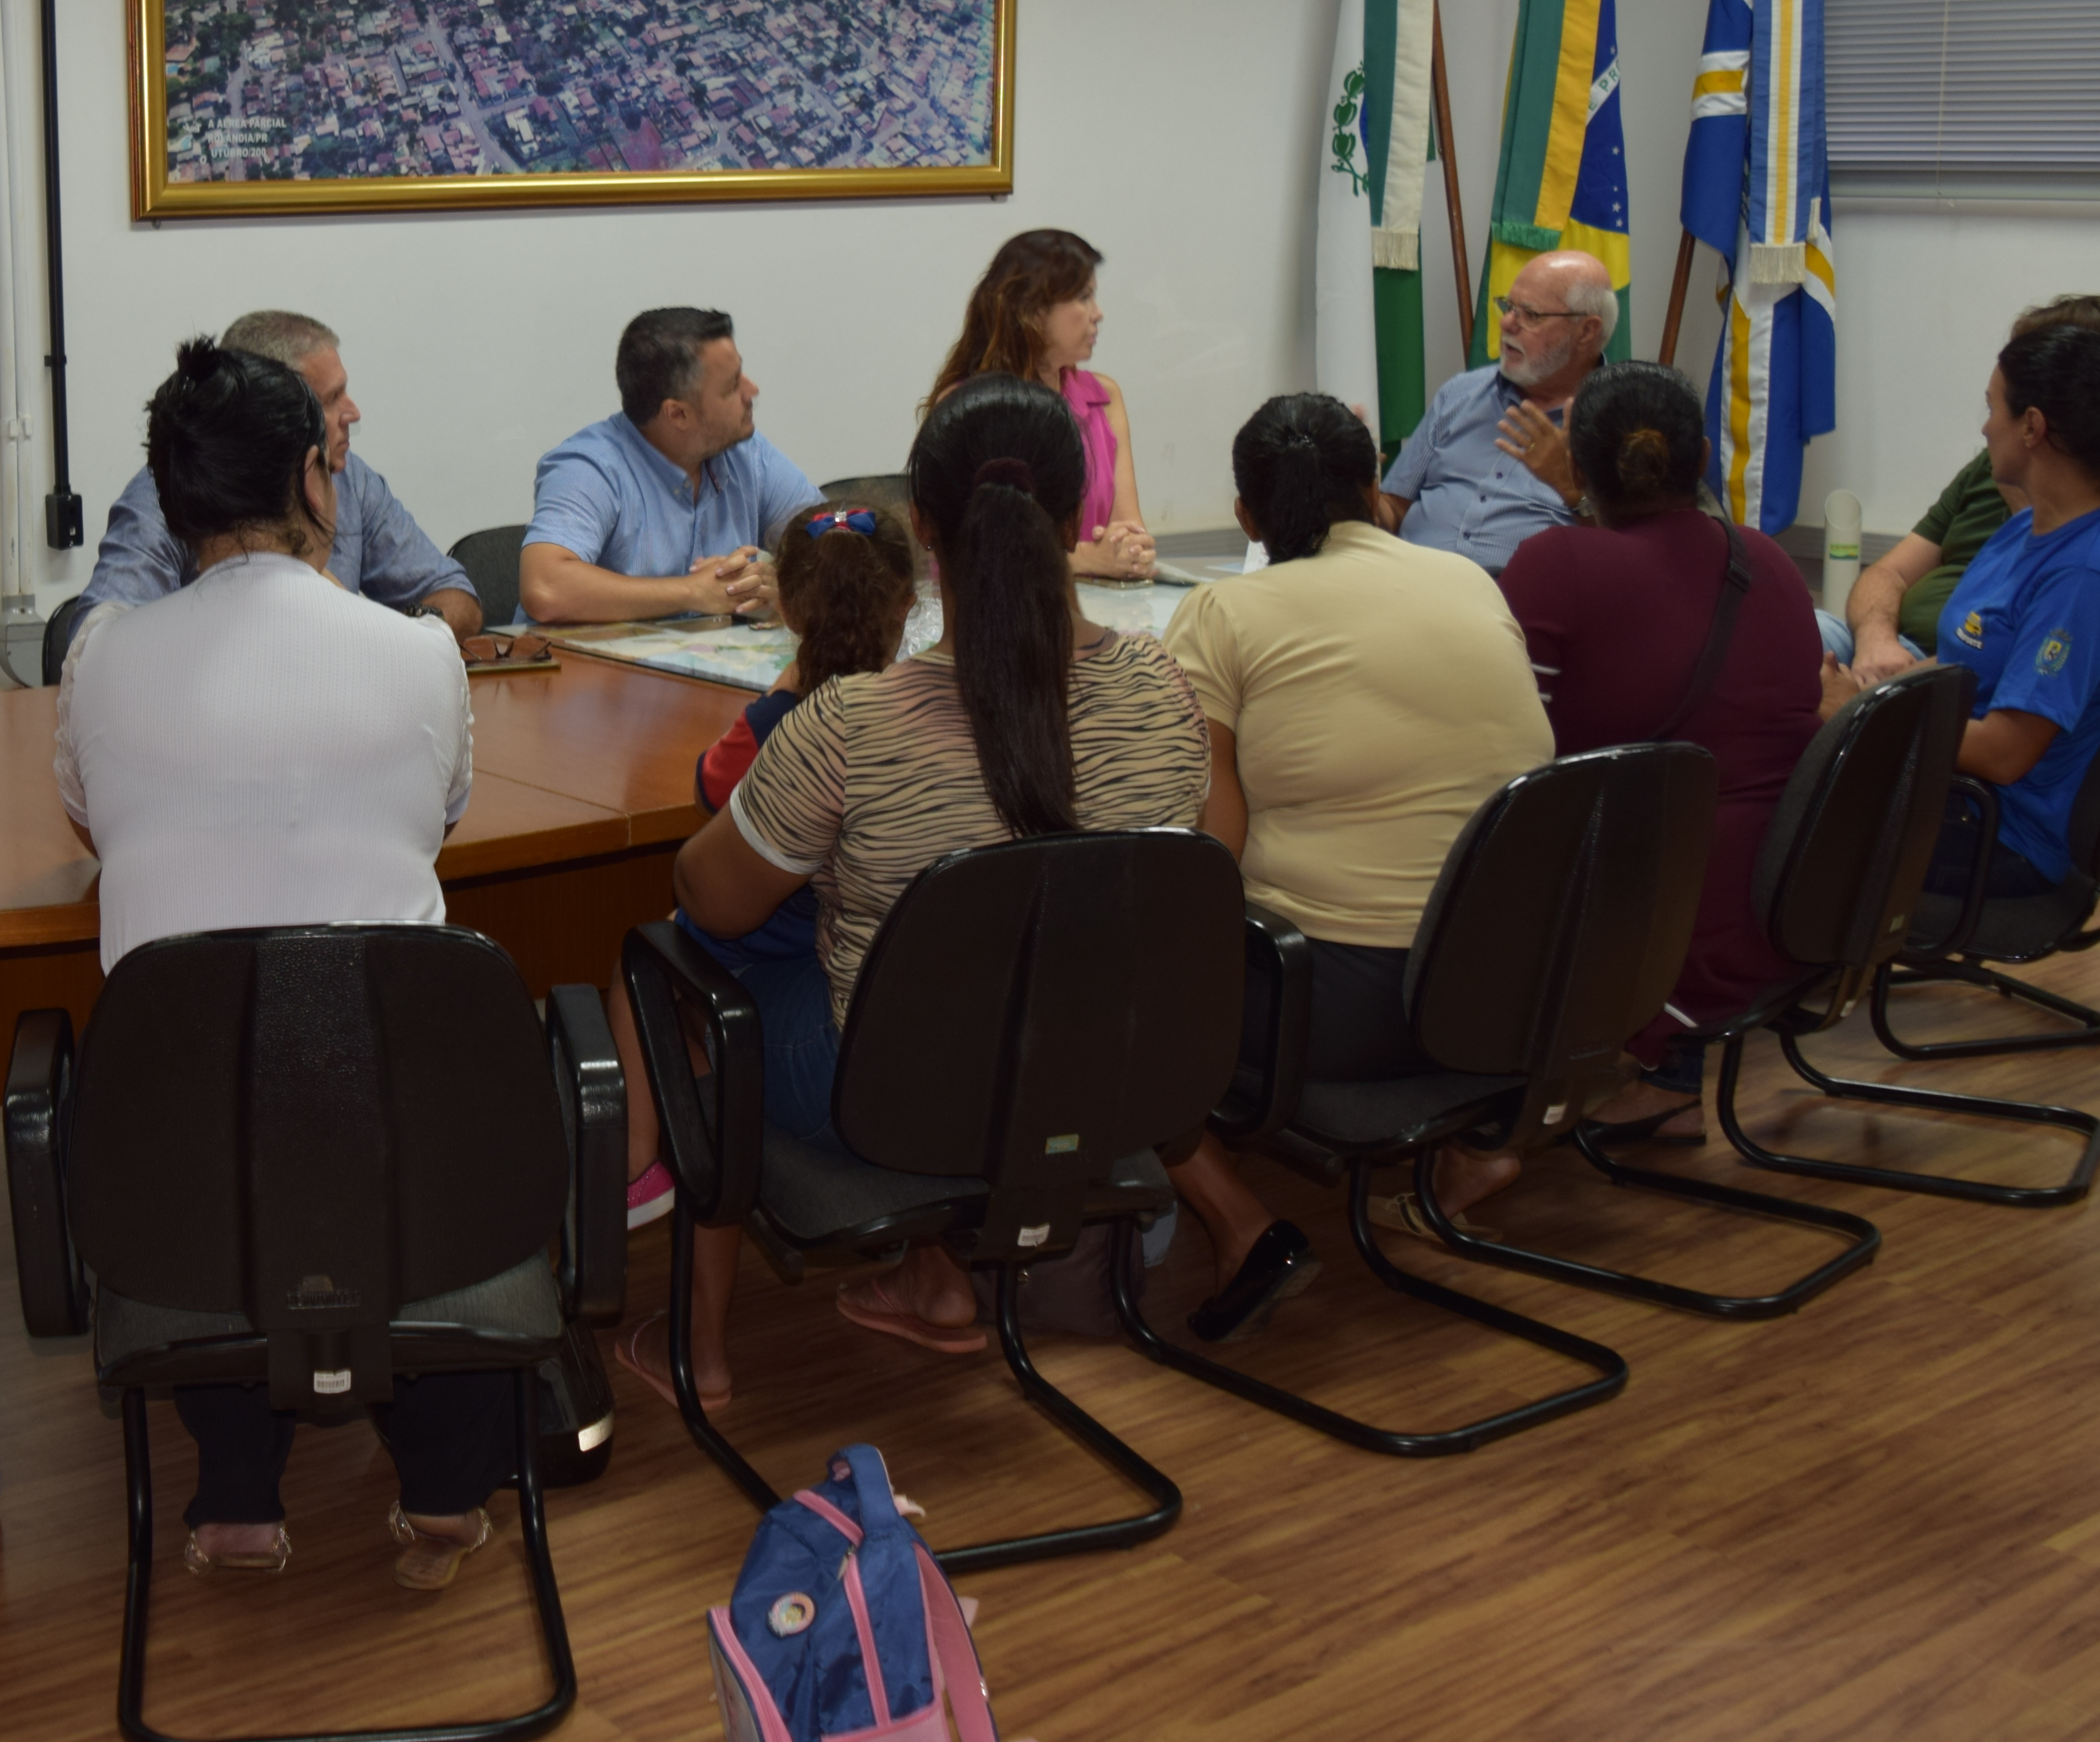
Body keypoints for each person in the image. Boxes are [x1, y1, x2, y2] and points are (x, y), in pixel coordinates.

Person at [642, 375, 1210, 1394]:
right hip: (1111, 1076)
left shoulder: (848, 725)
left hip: (900, 1101)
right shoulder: (1166, 689)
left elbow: (713, 901)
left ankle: (697, 1341)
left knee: (680, 986)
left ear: (930, 534)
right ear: (1076, 519)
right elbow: (1203, 870)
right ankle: (930, 1274)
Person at [52, 342, 499, 1591]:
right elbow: (439, 813)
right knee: (423, 1086)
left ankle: (238, 1498)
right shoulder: (421, 652)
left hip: (175, 1162)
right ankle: (446, 1489)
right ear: (314, 477)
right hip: (401, 1140)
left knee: (211, 1090)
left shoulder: (100, 657)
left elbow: (89, 818)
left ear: (170, 496)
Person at [1159, 395, 1555, 1317]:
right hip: (1509, 989)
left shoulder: (1221, 613)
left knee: (1103, 991)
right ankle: (1470, 1149)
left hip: (1343, 1007)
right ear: (1375, 490)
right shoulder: (1469, 581)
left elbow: (1206, 854)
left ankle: (1242, 1229)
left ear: (1247, 517)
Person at [604, 498, 920, 1294]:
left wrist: (790, 682)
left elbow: (712, 784)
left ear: (787, 610)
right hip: (894, 993)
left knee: (649, 958)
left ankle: (637, 1164)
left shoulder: (781, 725)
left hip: (782, 966)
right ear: (909, 606)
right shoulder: (925, 719)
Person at [1498, 365, 1825, 1123]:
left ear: (1577, 469)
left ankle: (1488, 1126)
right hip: (1785, 896)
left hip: (1650, 926)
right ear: (1702, 458)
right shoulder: (1768, 560)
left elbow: (1504, 758)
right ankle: (1665, 1085)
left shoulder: (1556, 564)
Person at [1915, 324, 2100, 903]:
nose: (1986, 427)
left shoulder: (2088, 577)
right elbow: (1973, 662)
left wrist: (1864, 718)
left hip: (1998, 832)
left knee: (1770, 803)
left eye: (1994, 409)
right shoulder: (2033, 528)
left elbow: (2004, 754)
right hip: (1958, 795)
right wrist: (1876, 690)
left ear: (2032, 426)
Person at [1836, 294, 2100, 687]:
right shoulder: (2000, 473)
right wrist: (1876, 650)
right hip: (1901, 659)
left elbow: (2019, 660)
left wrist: (1869, 702)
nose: (1987, 428)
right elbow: (1889, 572)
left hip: (1964, 685)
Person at [75, 310, 484, 637]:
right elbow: (94, 641)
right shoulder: (171, 490)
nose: (354, 413)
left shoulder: (349, 478)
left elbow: (457, 597)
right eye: (331, 398)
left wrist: (394, 640)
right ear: (270, 410)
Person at [519, 305, 824, 623]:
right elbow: (545, 589)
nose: (752, 391)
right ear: (678, 414)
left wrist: (780, 585)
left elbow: (836, 545)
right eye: (733, 386)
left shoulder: (748, 454)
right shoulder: (590, 467)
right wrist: (693, 592)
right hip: (583, 658)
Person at [922, 228, 1159, 580]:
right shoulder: (966, 407)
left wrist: (1133, 554)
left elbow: (1130, 533)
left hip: (1098, 602)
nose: (1098, 314)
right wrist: (1084, 559)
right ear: (1032, 311)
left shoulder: (1105, 398)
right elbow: (970, 549)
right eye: (1083, 297)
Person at [1375, 247, 1613, 575]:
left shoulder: (1619, 422)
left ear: (1586, 331)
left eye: (1531, 315)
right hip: (1406, 581)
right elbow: (1394, 509)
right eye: (1509, 307)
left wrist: (1568, 485)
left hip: (1514, 599)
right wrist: (1358, 494)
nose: (1507, 324)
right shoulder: (1462, 392)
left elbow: (1625, 556)